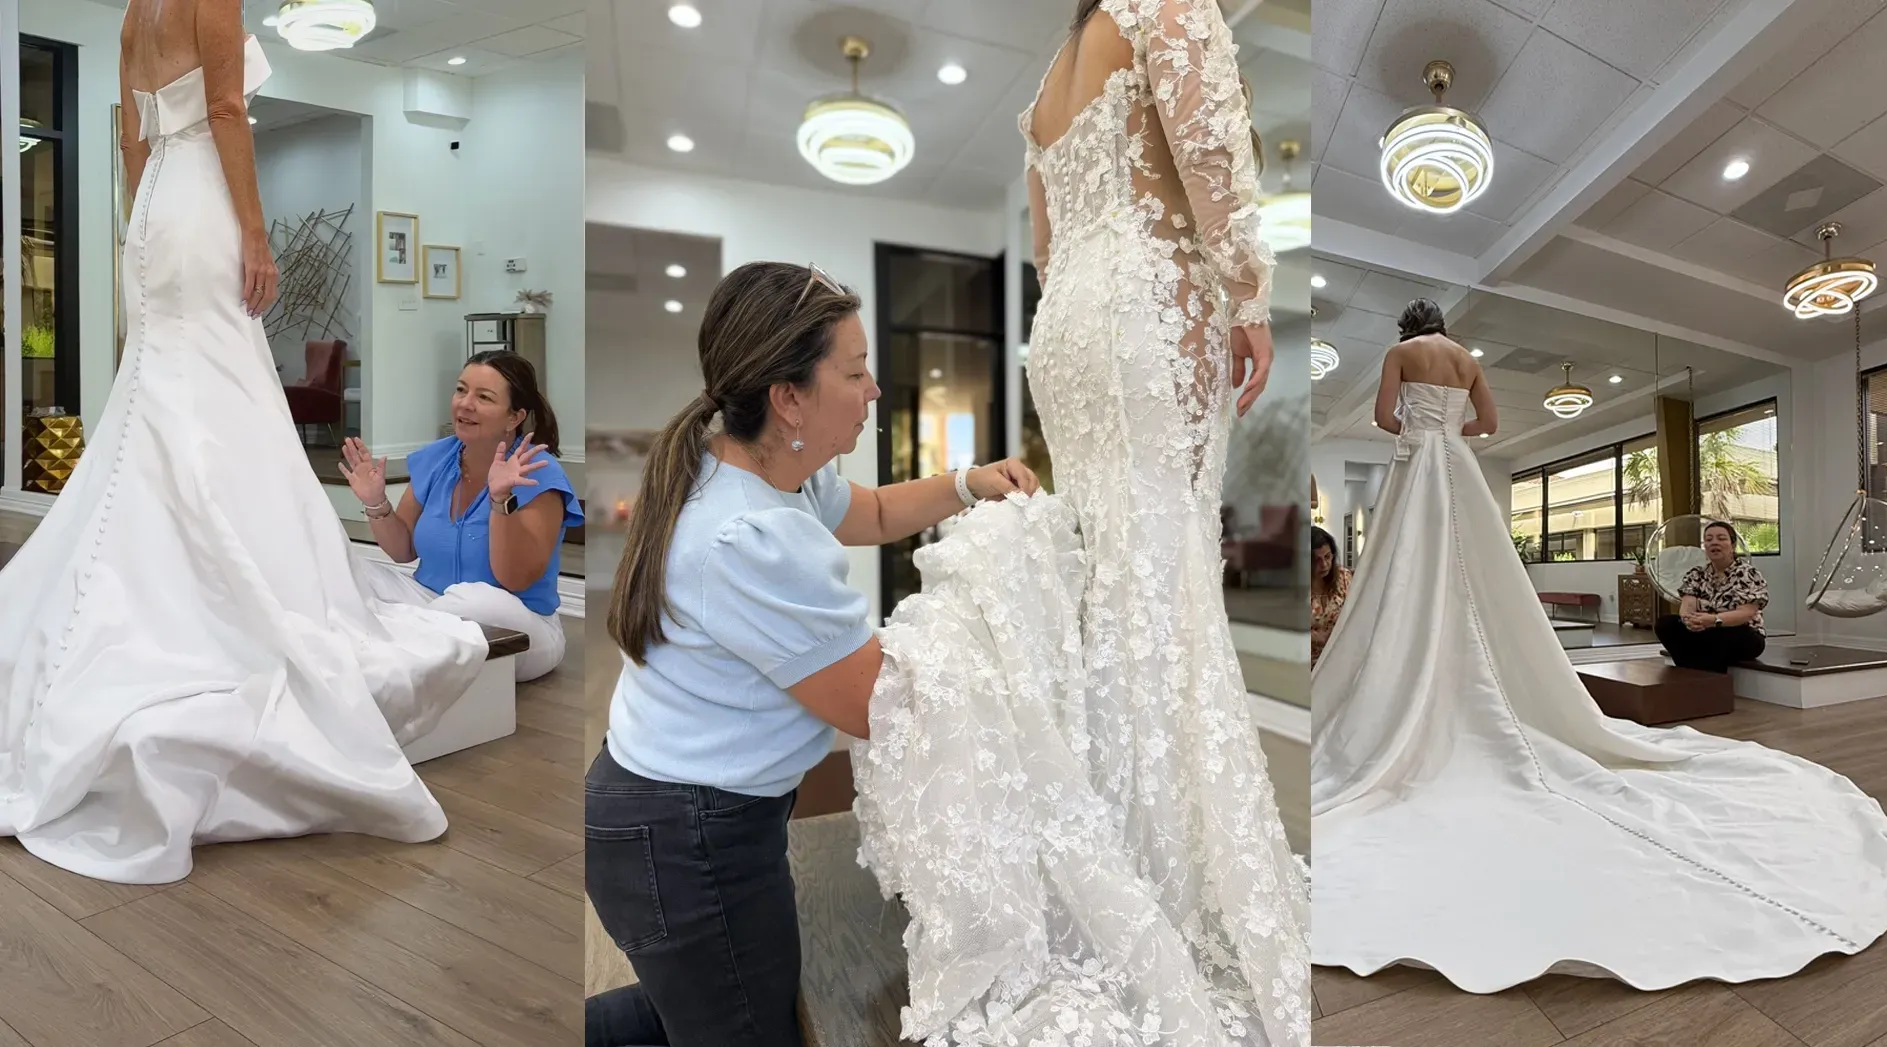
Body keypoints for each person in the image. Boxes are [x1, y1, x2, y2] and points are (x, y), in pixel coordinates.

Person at [846, 1, 1306, 1042]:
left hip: (1072, 323)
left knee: (1114, 577)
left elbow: (1047, 245)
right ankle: (1163, 872)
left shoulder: (1052, 74)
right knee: (1166, 570)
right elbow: (1210, 156)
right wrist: (1246, 295)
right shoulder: (1169, 6)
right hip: (1150, 302)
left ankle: (1108, 842)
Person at [0, 0, 488, 886]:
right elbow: (226, 110)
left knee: (162, 389)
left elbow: (132, 139)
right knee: (213, 389)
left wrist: (139, 219)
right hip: (202, 206)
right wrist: (255, 229)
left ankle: (146, 574)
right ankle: (214, 578)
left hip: (153, 215)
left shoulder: (133, 15)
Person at [1311, 299, 1887, 995]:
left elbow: (1385, 418)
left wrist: (1416, 424)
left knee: (1409, 574)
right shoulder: (1468, 360)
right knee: (1480, 573)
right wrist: (1452, 427)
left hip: (1419, 467)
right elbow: (1490, 425)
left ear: (1406, 328)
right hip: (1458, 467)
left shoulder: (1401, 356)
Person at [584, 261, 1039, 1047]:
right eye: (856, 372)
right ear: (787, 397)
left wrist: (968, 482)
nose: (873, 392)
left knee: (704, 1007)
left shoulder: (746, 457)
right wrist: (986, 616)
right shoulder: (753, 539)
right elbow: (874, 701)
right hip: (685, 837)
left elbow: (870, 509)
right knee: (746, 1025)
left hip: (667, 811)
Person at [342, 350, 583, 681]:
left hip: (518, 624)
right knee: (352, 570)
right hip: (433, 603)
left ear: (514, 417)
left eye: (483, 397)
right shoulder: (436, 459)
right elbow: (402, 551)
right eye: (461, 390)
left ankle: (390, 642)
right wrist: (375, 502)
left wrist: (500, 500)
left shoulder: (538, 473)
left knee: (471, 600)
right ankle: (402, 642)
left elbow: (515, 579)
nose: (465, 404)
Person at [1653, 521, 1767, 673]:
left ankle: (1705, 680)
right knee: (1665, 624)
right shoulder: (1697, 574)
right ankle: (1691, 675)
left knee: (1719, 636)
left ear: (1732, 545)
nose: (1714, 543)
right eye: (1709, 539)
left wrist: (1714, 621)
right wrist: (1690, 621)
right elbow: (1687, 606)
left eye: (1721, 538)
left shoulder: (1747, 573)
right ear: (1705, 546)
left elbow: (1746, 613)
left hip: (1741, 633)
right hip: (1705, 630)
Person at [1309, 525, 1350, 667]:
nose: (1325, 564)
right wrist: (1315, 638)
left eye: (1327, 557)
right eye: (1317, 560)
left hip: (1339, 659)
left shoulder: (1343, 578)